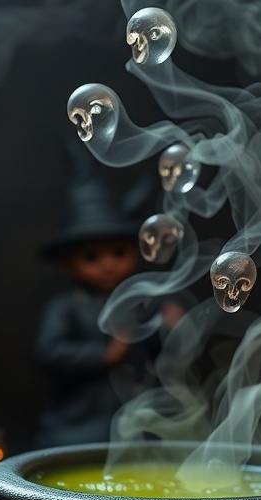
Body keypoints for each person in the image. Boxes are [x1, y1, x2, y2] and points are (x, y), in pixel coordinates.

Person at [33, 145, 176, 448]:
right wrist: (103, 355)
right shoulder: (66, 306)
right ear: (69, 263)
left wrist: (168, 327)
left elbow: (156, 351)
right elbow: (50, 351)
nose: (108, 264)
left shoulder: (138, 301)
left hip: (134, 417)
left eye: (119, 252)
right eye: (92, 257)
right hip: (79, 420)